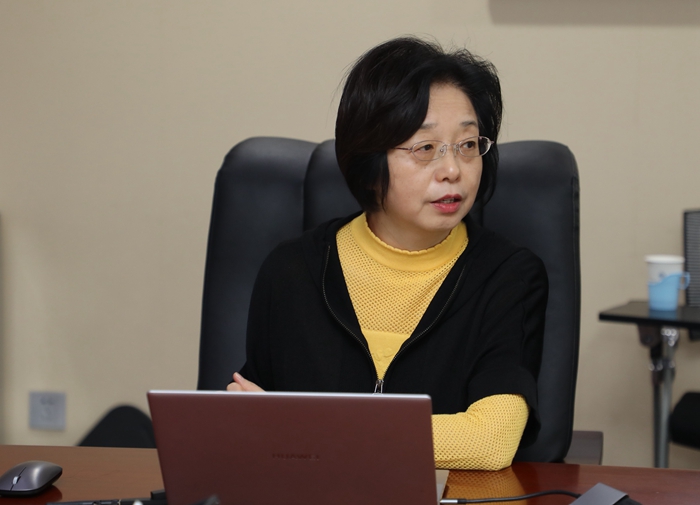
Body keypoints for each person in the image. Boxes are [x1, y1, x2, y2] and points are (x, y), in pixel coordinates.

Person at [227, 36, 548, 471]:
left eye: (468, 145)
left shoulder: (508, 277)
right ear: (369, 160)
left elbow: (490, 442)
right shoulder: (292, 271)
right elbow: (248, 425)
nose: (453, 169)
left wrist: (308, 430)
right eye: (425, 148)